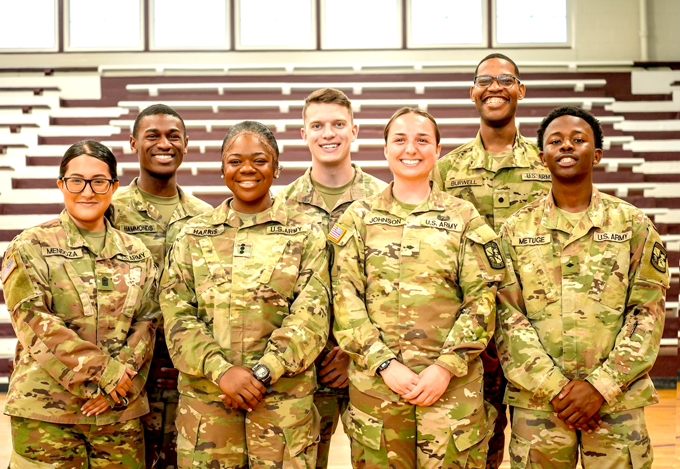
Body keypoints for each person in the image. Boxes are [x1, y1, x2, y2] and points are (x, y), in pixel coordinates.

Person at [330, 108, 504, 469]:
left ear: (437, 150)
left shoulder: (465, 217)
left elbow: (483, 299)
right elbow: (343, 297)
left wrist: (445, 367)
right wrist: (384, 364)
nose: (411, 148)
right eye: (400, 139)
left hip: (451, 393)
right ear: (385, 149)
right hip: (377, 393)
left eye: (422, 140)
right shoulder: (356, 219)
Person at [496, 106, 668, 469]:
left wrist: (599, 387)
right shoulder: (514, 230)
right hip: (540, 405)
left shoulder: (633, 224)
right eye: (555, 141)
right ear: (542, 157)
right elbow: (506, 317)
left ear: (598, 154)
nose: (567, 147)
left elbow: (647, 313)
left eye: (579, 140)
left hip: (616, 402)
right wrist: (557, 390)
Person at [160, 121, 330, 468]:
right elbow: (176, 314)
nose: (247, 169)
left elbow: (312, 314)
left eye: (260, 160)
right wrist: (221, 371)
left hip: (281, 412)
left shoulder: (305, 234)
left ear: (277, 167)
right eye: (235, 161)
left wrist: (264, 372)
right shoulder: (193, 234)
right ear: (222, 168)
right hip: (208, 410)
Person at [2, 140, 159, 468]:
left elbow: (148, 321)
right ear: (62, 184)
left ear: (113, 186)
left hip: (118, 410)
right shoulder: (30, 246)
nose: (87, 191)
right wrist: (105, 372)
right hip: (47, 413)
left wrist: (119, 382)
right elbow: (32, 320)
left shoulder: (137, 252)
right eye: (76, 180)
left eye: (99, 181)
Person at [431, 53, 552, 468]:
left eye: (505, 79)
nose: (494, 86)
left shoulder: (548, 161)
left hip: (537, 330)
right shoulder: (446, 170)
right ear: (472, 92)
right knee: (472, 448)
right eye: (485, 80)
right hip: (466, 335)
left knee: (536, 446)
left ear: (521, 89)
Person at [276, 87, 387, 469]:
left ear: (354, 130)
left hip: (368, 363)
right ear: (303, 133)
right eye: (318, 125)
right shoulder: (283, 205)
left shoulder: (383, 200)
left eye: (339, 124)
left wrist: (351, 349)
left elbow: (390, 285)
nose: (329, 134)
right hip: (303, 367)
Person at [110, 103, 212, 469]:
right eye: (152, 135)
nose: (163, 143)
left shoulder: (205, 218)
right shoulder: (110, 211)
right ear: (134, 143)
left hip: (185, 374)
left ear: (186, 144)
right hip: (124, 374)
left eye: (173, 136)